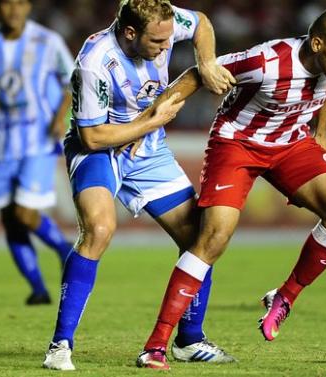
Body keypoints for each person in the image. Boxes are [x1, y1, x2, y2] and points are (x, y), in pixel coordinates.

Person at [136, 8, 326, 369]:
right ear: (317, 44)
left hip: (290, 144)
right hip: (237, 144)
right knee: (213, 238)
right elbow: (198, 74)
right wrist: (147, 122)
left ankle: (284, 298)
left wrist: (321, 132)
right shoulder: (266, 61)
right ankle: (157, 344)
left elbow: (323, 90)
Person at [42, 0, 237, 370]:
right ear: (130, 33)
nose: (167, 49)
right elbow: (94, 137)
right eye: (158, 43)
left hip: (148, 153)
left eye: (168, 40)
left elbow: (202, 24)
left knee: (201, 236)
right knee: (99, 229)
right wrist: (151, 122)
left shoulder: (162, 24)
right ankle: (60, 345)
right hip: (99, 151)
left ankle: (189, 340)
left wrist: (208, 63)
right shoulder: (94, 62)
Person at [0, 0, 75, 305]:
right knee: (9, 218)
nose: (14, 10)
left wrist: (59, 117)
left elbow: (71, 82)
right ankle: (38, 288)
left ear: (28, 7)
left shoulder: (47, 41)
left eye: (20, 3)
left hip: (38, 139)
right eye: (7, 4)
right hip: (1, 144)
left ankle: (63, 250)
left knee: (24, 212)